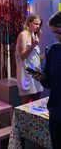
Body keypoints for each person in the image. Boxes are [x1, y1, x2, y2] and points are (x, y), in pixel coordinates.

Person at [33, 11, 61, 149]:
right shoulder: (55, 50)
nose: (57, 37)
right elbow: (49, 82)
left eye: (59, 32)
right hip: (55, 114)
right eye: (55, 33)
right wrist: (42, 77)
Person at [16, 13, 43, 104]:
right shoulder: (23, 35)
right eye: (36, 24)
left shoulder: (34, 35)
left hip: (36, 73)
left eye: (39, 24)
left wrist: (45, 56)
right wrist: (33, 45)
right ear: (28, 23)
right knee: (26, 106)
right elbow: (22, 56)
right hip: (26, 74)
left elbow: (33, 57)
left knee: (36, 105)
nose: (38, 26)